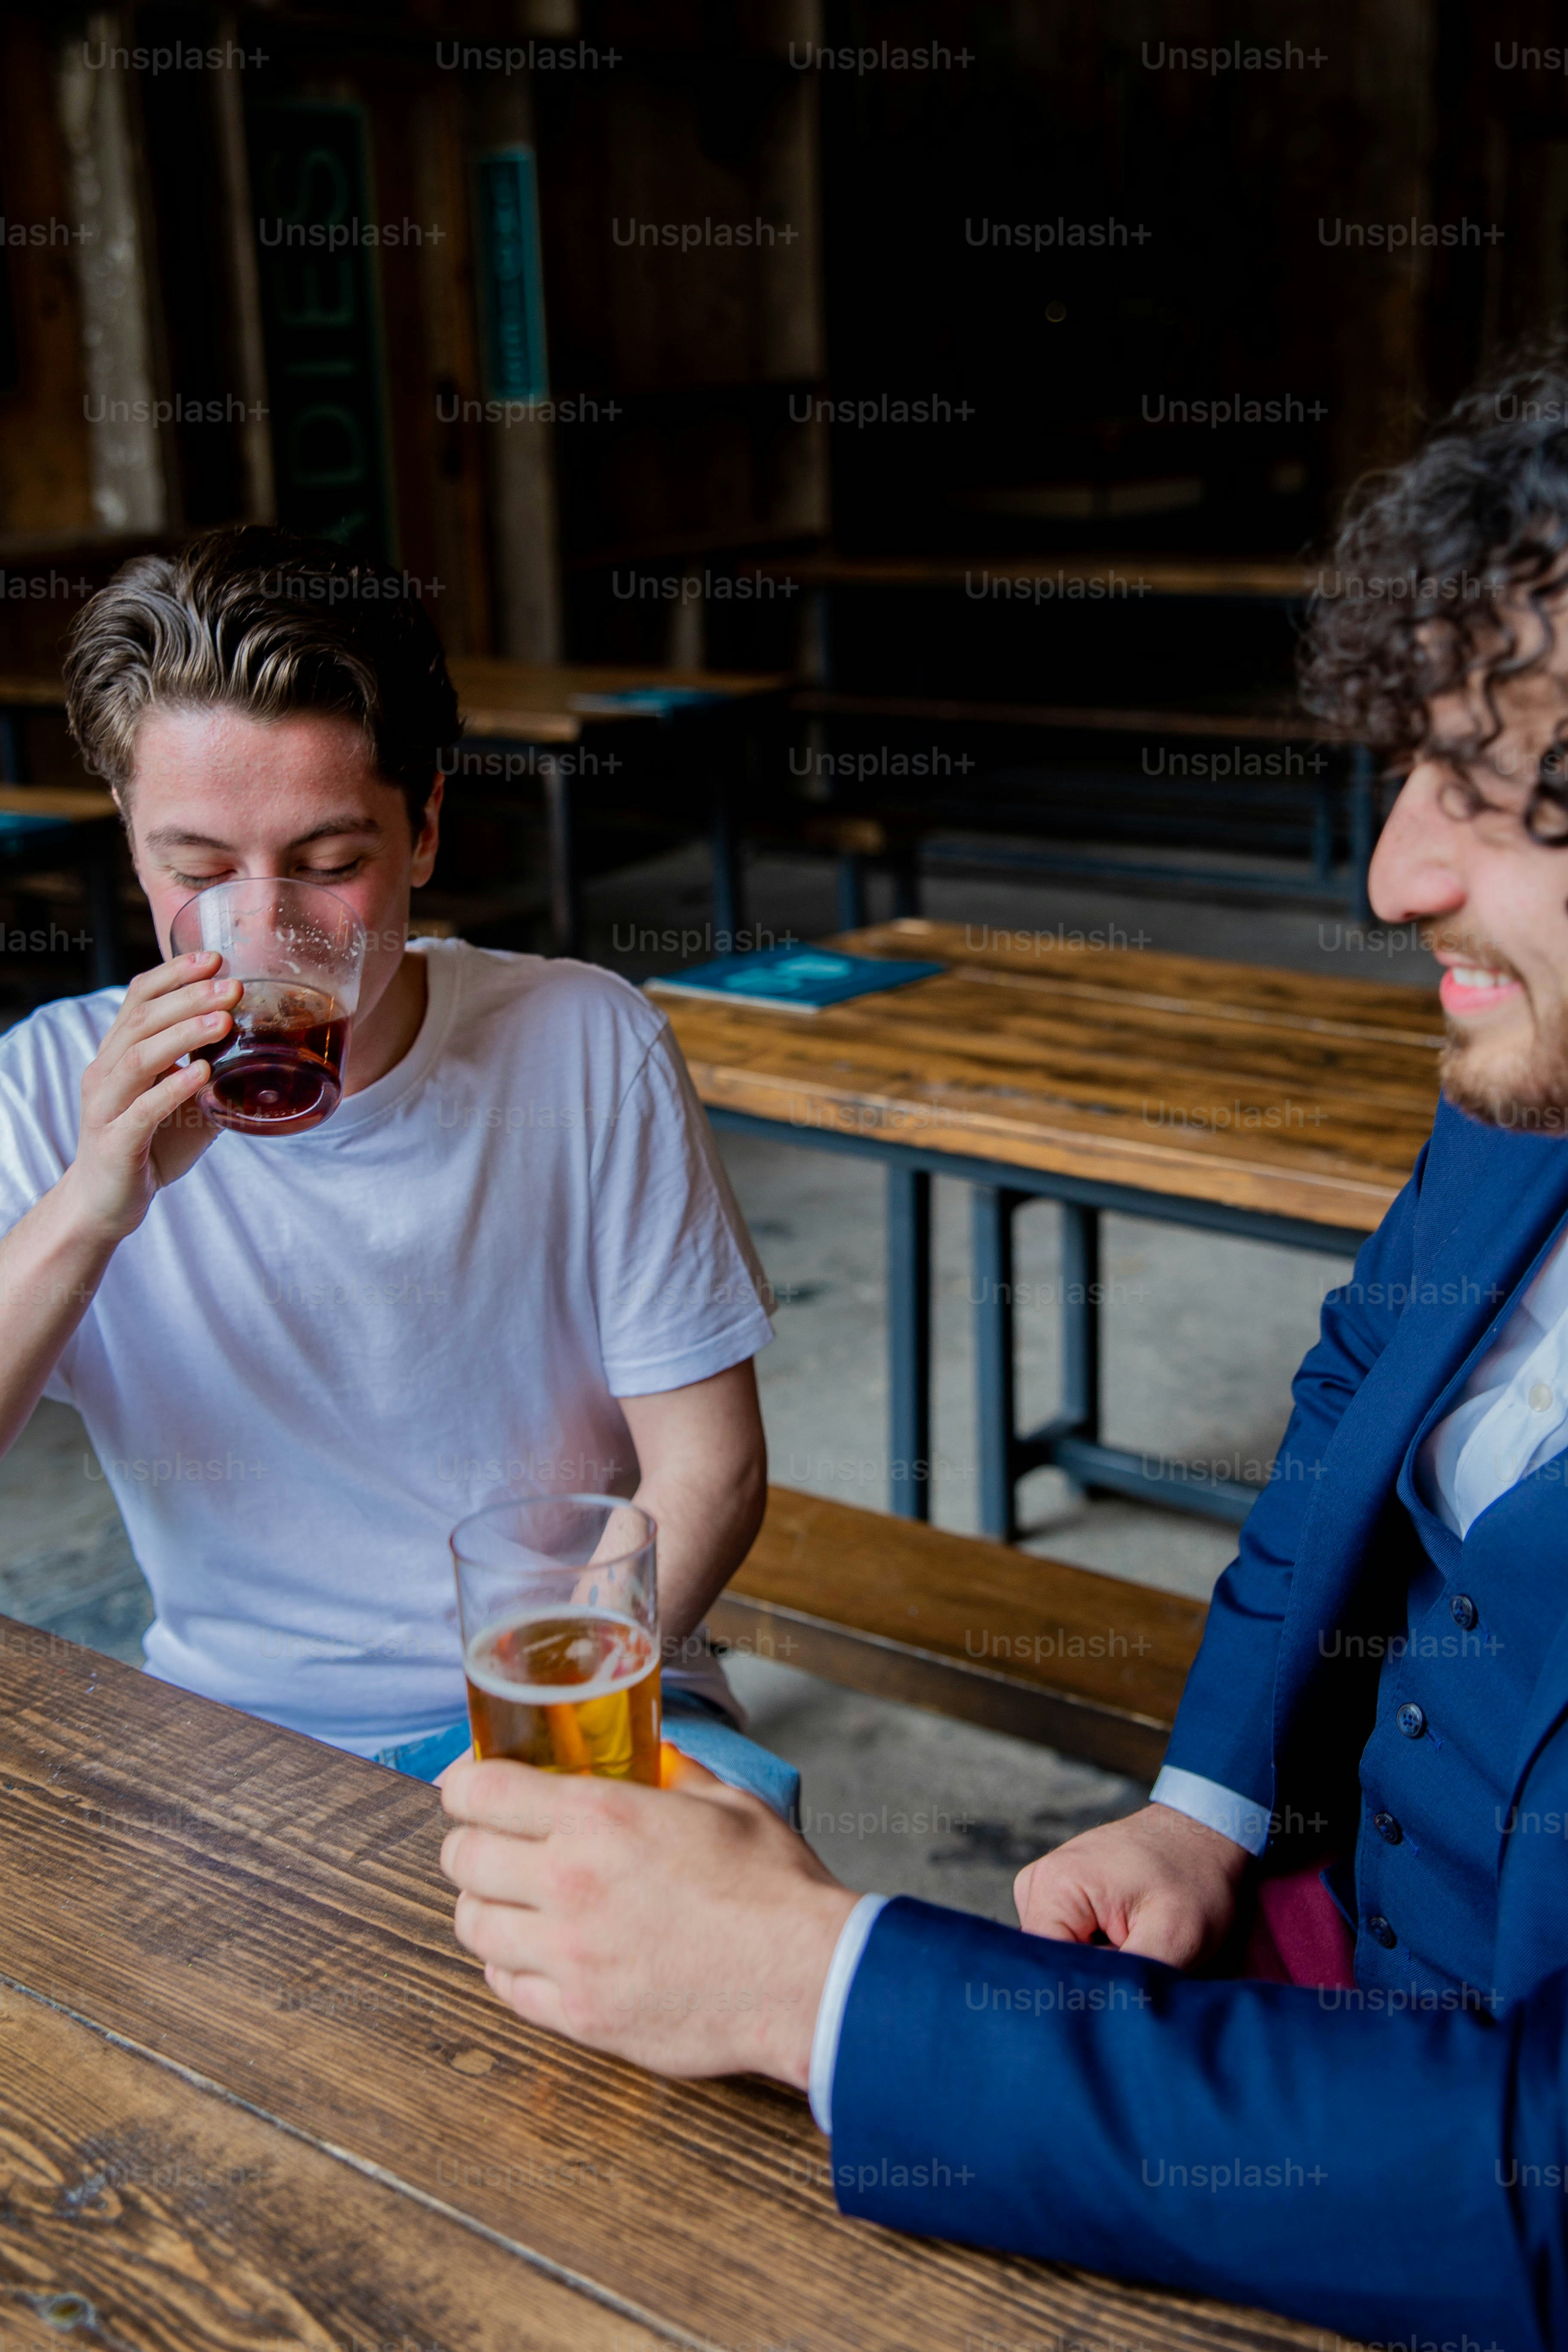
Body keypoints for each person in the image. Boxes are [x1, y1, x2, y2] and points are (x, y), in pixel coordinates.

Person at [438, 360, 1568, 2349]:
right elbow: (1343, 1419)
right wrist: (1208, 1810)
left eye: (1495, 789)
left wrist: (809, 1987)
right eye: (1412, 769)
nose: (1392, 874)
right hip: (1332, 1977)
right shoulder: (1525, 1092)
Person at [0, 526, 797, 1819]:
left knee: (713, 1963)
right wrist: (98, 1204)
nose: (268, 931)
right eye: (199, 872)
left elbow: (712, 1468)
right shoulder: (48, 1087)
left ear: (424, 830)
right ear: (137, 850)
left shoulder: (585, 1041)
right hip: (227, 1737)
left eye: (329, 866)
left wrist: (544, 1724)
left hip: (566, 1681)